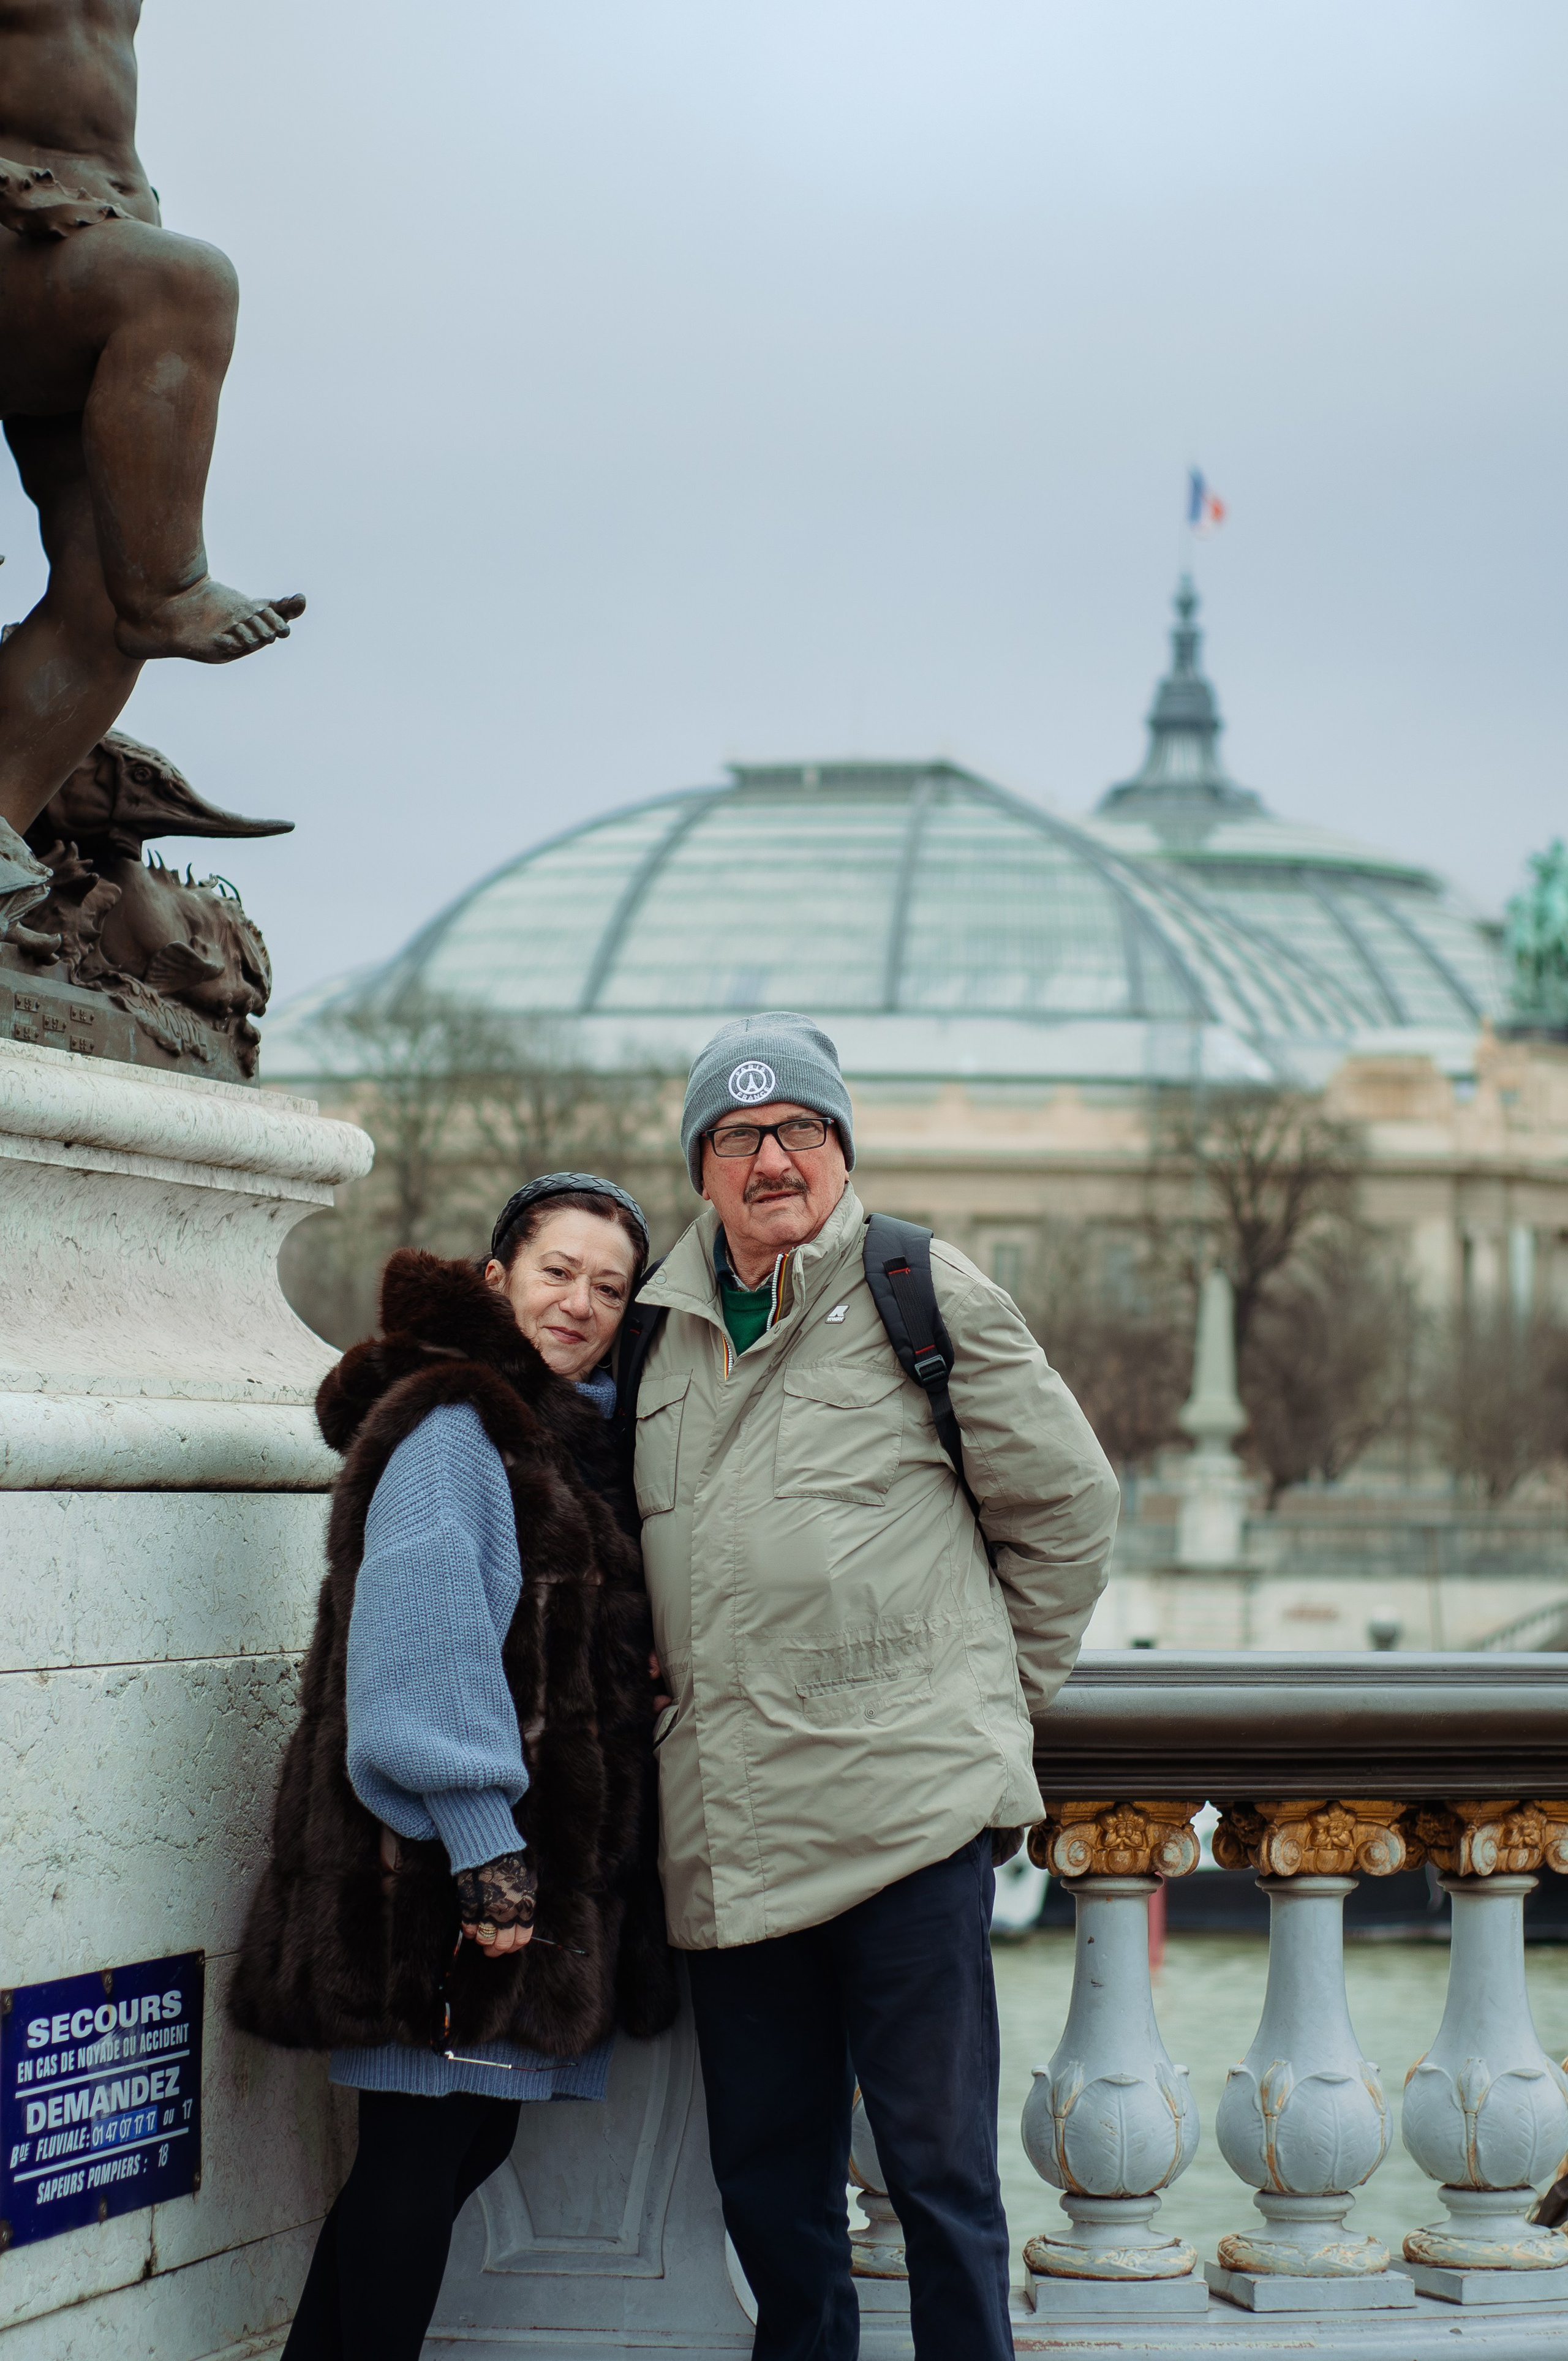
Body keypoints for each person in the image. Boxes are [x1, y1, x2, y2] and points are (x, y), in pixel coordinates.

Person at [628, 1015, 1120, 2361]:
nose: (770, 1157)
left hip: (907, 1813)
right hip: (729, 1827)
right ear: (700, 1167)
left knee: (940, 2178)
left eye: (799, 1130)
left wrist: (990, 1702)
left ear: (841, 1148)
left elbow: (1067, 1505)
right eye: (736, 1137)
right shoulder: (651, 1334)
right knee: (772, 2193)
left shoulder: (921, 1285)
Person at [230, 1175, 677, 2361]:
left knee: (444, 2155)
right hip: (437, 1871)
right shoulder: (456, 1428)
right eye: (556, 1270)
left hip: (466, 1864)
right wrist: (489, 1855)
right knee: (419, 2164)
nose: (579, 1300)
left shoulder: (549, 1434)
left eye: (608, 1284)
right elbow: (420, 1658)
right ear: (496, 1277)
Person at [0, 0, 304, 838]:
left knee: (102, 589)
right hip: (22, 225)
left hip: (89, 231)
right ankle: (170, 586)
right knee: (185, 283)